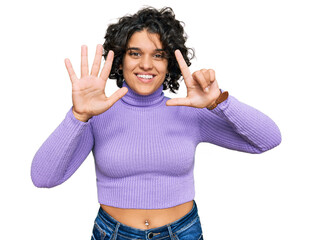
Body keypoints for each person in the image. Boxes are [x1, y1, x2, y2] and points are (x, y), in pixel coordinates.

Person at [30, 6, 281, 240]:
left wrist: (219, 102)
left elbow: (268, 140)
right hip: (113, 233)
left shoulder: (188, 112)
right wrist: (78, 116)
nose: (146, 64)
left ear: (169, 63)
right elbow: (43, 178)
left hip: (182, 232)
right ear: (120, 60)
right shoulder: (97, 115)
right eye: (135, 53)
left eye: (158, 55)